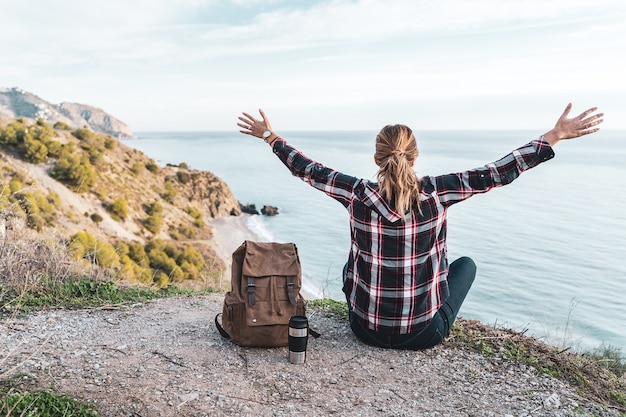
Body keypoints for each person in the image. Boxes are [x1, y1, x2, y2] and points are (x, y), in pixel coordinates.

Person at [237, 104, 604, 350]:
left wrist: (271, 137)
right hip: (423, 335)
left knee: (355, 262)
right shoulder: (438, 192)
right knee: (466, 265)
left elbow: (306, 169)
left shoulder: (356, 193)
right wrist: (553, 136)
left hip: (365, 331)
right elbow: (498, 172)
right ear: (415, 158)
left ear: (377, 159)